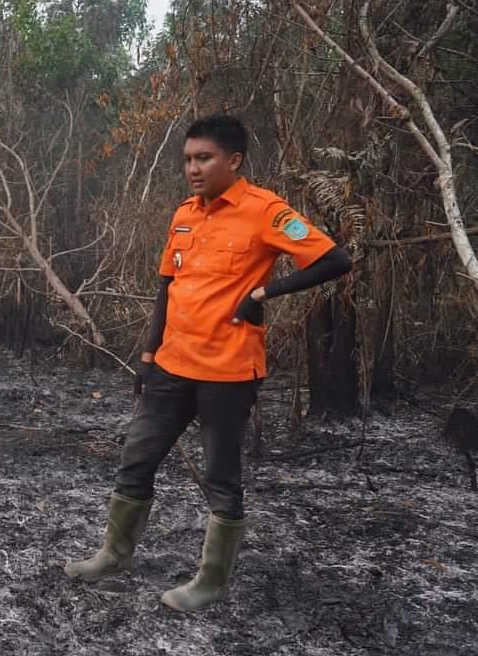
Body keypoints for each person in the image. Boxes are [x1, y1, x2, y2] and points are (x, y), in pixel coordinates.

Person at [63, 115, 352, 612]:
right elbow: (166, 288)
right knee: (137, 459)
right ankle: (113, 554)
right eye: (188, 160)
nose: (193, 169)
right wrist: (148, 355)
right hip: (172, 366)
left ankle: (210, 582)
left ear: (233, 160)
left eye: (204, 159)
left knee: (222, 477)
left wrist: (266, 290)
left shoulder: (265, 211)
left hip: (228, 371)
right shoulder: (183, 215)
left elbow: (334, 260)